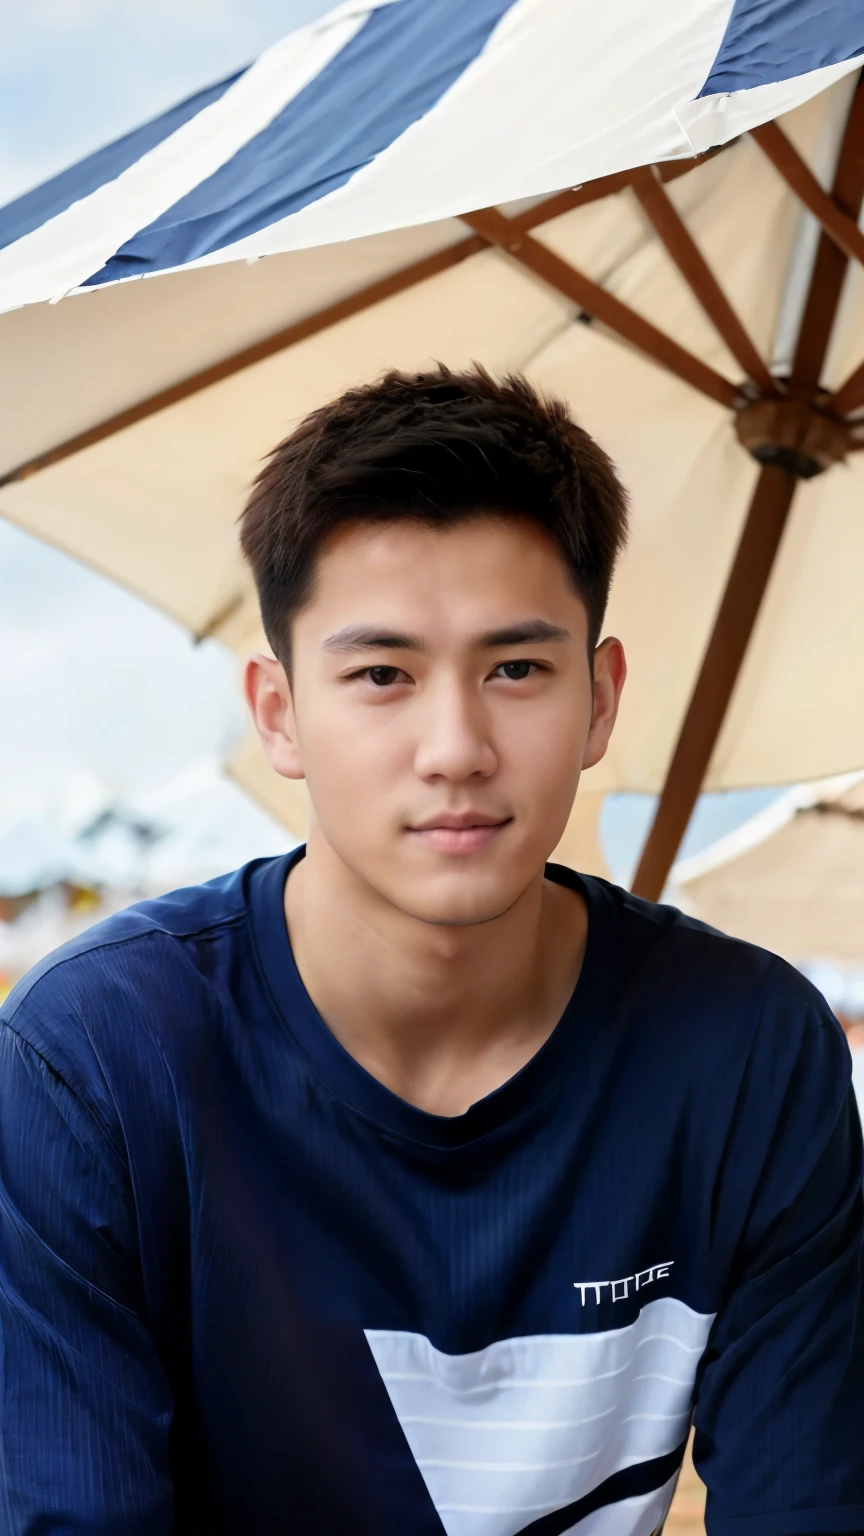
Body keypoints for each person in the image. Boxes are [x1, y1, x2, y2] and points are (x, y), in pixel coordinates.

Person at [0, 366, 862, 1536]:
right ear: (278, 712)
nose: (455, 748)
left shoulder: (750, 1055)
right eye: (381, 676)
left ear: (601, 698)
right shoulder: (98, 1060)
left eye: (516, 668)